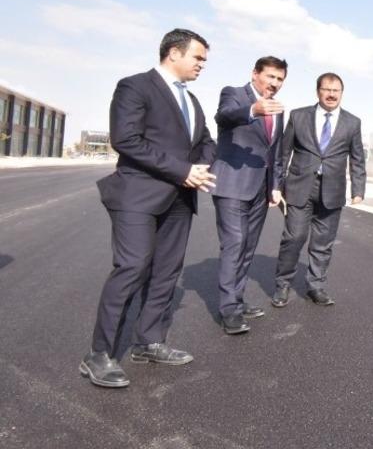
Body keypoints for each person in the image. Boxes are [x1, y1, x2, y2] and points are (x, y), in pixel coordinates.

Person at [81, 29, 216, 389]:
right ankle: (98, 354)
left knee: (166, 272)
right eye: (198, 57)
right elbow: (125, 140)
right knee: (132, 267)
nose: (202, 65)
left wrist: (199, 167)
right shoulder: (135, 87)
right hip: (138, 197)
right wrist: (182, 170)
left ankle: (148, 342)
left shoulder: (193, 101)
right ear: (174, 52)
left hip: (180, 199)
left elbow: (206, 141)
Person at [271, 73, 365, 307]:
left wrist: (358, 188)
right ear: (318, 91)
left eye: (336, 90)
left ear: (341, 93)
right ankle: (283, 285)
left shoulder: (352, 122)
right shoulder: (298, 116)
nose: (332, 94)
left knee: (323, 243)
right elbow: (283, 153)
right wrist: (276, 185)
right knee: (294, 238)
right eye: (327, 89)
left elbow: (357, 158)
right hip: (300, 186)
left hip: (332, 189)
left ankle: (316, 286)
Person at [210, 56, 289, 335]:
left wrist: (275, 186)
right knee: (235, 244)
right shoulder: (234, 94)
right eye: (270, 77)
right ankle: (228, 309)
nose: (275, 83)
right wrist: (253, 109)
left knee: (248, 247)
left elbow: (276, 152)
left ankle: (238, 300)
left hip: (260, 189)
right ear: (255, 74)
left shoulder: (279, 109)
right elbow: (224, 116)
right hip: (231, 184)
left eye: (280, 79)